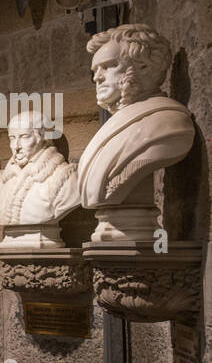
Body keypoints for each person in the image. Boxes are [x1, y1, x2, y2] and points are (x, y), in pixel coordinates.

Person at [77, 24, 194, 241]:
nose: (97, 78)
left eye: (108, 66)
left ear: (143, 67)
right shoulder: (114, 126)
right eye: (95, 71)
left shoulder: (168, 122)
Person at [0, 110, 79, 246]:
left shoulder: (64, 176)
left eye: (24, 137)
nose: (16, 146)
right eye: (12, 138)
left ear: (43, 139)